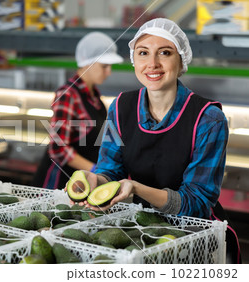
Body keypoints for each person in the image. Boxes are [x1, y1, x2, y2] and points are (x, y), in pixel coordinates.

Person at [68, 18, 240, 263]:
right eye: (143, 53)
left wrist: (137, 188)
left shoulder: (208, 119)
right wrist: (96, 179)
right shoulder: (120, 107)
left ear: (181, 60)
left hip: (194, 241)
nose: (152, 63)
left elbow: (197, 202)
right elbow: (111, 169)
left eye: (165, 52)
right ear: (133, 60)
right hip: (138, 232)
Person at [32, 32, 123, 189]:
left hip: (85, 181)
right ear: (88, 63)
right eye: (104, 66)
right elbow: (58, 149)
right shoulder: (67, 95)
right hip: (60, 184)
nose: (109, 72)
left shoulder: (95, 98)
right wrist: (94, 170)